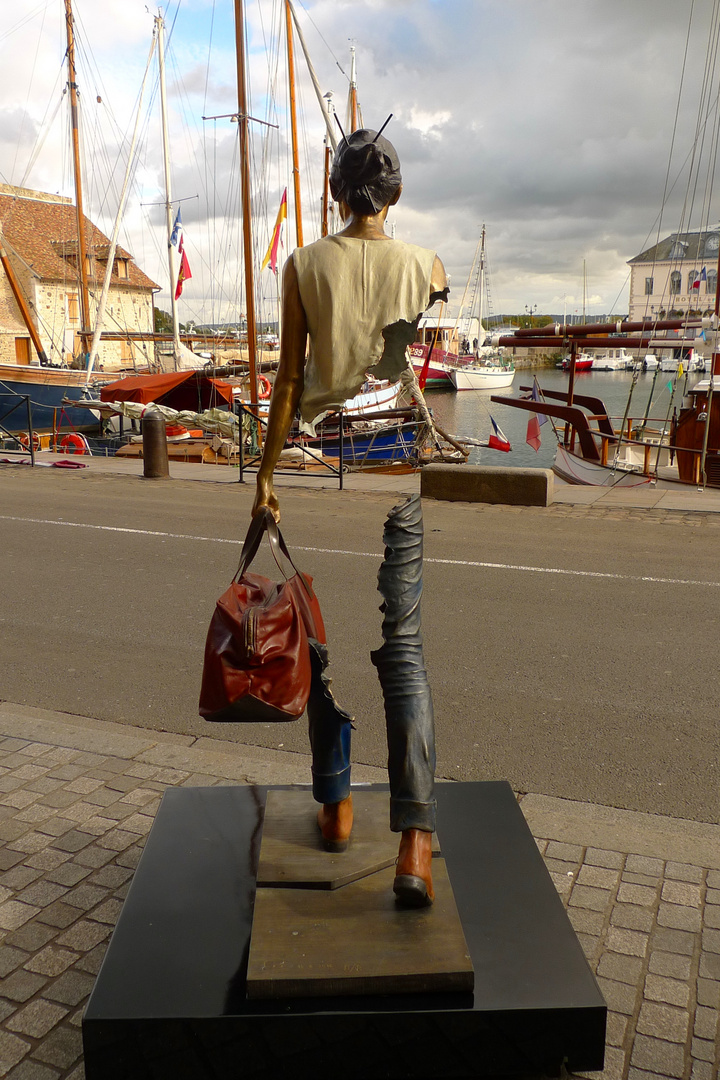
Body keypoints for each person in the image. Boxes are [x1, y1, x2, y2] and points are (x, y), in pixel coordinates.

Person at [252, 126, 447, 907]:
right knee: (403, 645)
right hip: (397, 471)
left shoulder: (303, 266)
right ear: (393, 193)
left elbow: (289, 385)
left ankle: (333, 800)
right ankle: (415, 838)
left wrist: (265, 475)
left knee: (315, 640)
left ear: (336, 190)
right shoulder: (426, 267)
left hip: (316, 464)